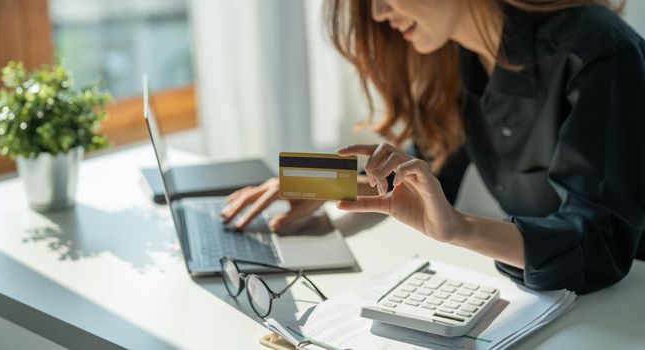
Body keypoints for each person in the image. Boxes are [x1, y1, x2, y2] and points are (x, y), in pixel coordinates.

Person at [221, 0, 645, 294]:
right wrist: (305, 182)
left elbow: (602, 246)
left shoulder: (600, 51)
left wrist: (462, 229)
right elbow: (420, 173)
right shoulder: (460, 60)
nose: (378, 13)